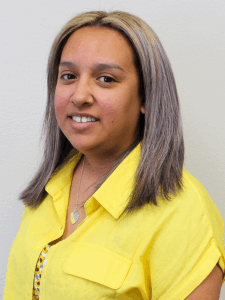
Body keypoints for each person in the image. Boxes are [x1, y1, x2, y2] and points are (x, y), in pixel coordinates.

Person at [3, 10, 225, 300]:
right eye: (68, 76)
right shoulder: (48, 189)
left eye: (106, 79)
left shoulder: (182, 210)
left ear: (146, 96)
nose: (80, 95)